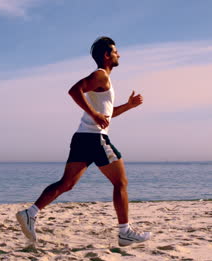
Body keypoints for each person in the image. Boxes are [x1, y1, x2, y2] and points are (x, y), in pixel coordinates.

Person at [16, 36, 151, 247]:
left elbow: (107, 114)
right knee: (121, 182)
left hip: (82, 137)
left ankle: (30, 213)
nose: (119, 54)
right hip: (95, 138)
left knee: (66, 184)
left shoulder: (103, 79)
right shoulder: (100, 75)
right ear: (107, 56)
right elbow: (73, 91)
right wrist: (94, 114)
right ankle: (125, 232)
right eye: (116, 52)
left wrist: (129, 106)